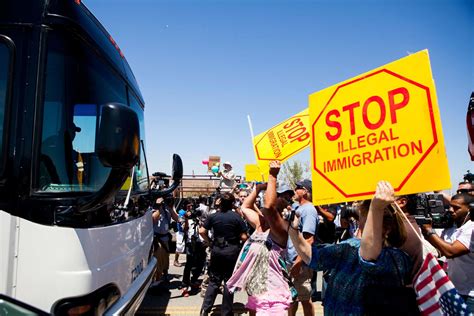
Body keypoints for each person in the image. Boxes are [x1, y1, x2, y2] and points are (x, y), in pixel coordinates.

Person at [288, 181, 413, 315]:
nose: (360, 222)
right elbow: (312, 257)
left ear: (387, 227)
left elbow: (369, 258)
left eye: (364, 218)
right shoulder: (347, 247)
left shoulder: (397, 259)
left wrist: (376, 208)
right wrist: (293, 229)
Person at [227, 161, 295, 315]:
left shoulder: (281, 229)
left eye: (282, 195)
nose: (283, 198)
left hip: (272, 296)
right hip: (256, 291)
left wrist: (272, 176)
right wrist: (257, 189)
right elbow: (245, 207)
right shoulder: (260, 224)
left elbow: (269, 207)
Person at [421, 192, 474, 310]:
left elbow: (450, 252)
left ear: (470, 210)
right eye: (450, 206)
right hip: (453, 288)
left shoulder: (471, 228)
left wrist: (429, 231)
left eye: (456, 208)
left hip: (470, 294)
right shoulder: (452, 226)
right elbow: (441, 249)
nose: (450, 210)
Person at [199, 192, 248, 316]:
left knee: (214, 280)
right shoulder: (236, 217)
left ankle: (206, 309)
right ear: (232, 203)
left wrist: (209, 242)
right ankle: (226, 312)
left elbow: (202, 231)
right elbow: (244, 237)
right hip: (232, 251)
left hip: (217, 250)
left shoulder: (213, 216)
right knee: (229, 282)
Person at [286, 179, 318, 316]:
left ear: (305, 191)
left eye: (298, 187)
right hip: (291, 260)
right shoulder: (297, 207)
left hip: (300, 262)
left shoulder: (309, 210)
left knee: (305, 299)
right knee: (291, 298)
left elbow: (309, 239)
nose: (295, 190)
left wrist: (298, 262)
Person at [181, 202, 207, 296]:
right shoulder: (184, 215)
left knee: (200, 263)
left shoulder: (201, 216)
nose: (191, 207)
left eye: (192, 205)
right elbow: (184, 228)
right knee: (189, 264)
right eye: (189, 205)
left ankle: (194, 280)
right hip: (190, 243)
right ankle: (185, 285)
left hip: (201, 243)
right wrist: (187, 218)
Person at [152, 196, 178, 284]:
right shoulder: (154, 209)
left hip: (165, 238)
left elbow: (176, 218)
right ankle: (157, 280)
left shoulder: (168, 209)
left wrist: (170, 208)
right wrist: (159, 207)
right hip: (157, 239)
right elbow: (153, 219)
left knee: (166, 258)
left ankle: (165, 274)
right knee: (158, 259)